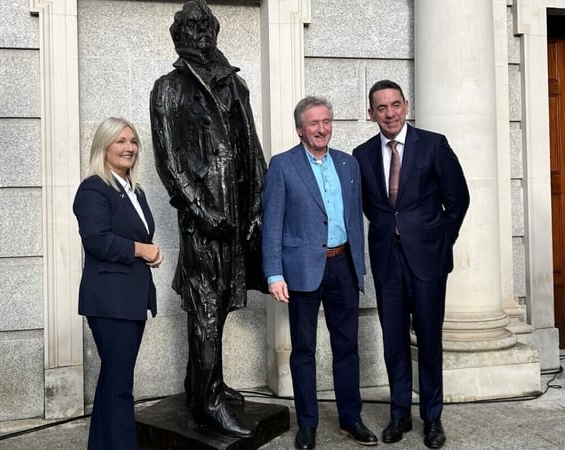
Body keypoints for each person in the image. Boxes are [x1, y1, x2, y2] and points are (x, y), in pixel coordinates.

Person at [149, 0, 267, 438]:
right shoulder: (168, 88)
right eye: (191, 27)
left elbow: (252, 148)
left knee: (220, 303)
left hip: (237, 215)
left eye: (206, 26)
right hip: (205, 221)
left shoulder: (235, 84)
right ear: (178, 34)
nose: (200, 34)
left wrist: (258, 204)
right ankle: (209, 401)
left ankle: (201, 386)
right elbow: (169, 162)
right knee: (205, 308)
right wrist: (202, 211)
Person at [352, 80, 470, 449]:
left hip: (428, 264)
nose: (390, 113)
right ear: (371, 114)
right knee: (393, 341)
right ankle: (399, 413)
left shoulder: (434, 145)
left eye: (395, 105)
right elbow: (371, 207)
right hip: (388, 261)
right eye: (381, 108)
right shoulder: (362, 153)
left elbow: (458, 200)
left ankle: (432, 417)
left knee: (430, 340)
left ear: (407, 105)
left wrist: (438, 240)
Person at [262, 96, 378, 449]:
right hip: (301, 269)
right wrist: (274, 273)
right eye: (313, 123)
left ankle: (351, 419)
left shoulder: (348, 164)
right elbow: (272, 223)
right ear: (300, 129)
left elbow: (355, 219)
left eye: (326, 121)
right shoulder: (282, 166)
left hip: (343, 264)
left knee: (347, 347)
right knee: (304, 350)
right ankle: (308, 424)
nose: (321, 128)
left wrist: (359, 264)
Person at [73, 117, 163, 450]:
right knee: (120, 384)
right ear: (104, 147)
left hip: (131, 299)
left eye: (133, 141)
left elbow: (134, 236)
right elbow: (97, 240)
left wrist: (149, 253)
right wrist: (142, 250)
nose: (129, 148)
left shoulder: (134, 190)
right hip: (110, 301)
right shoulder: (94, 187)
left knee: (113, 380)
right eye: (120, 141)